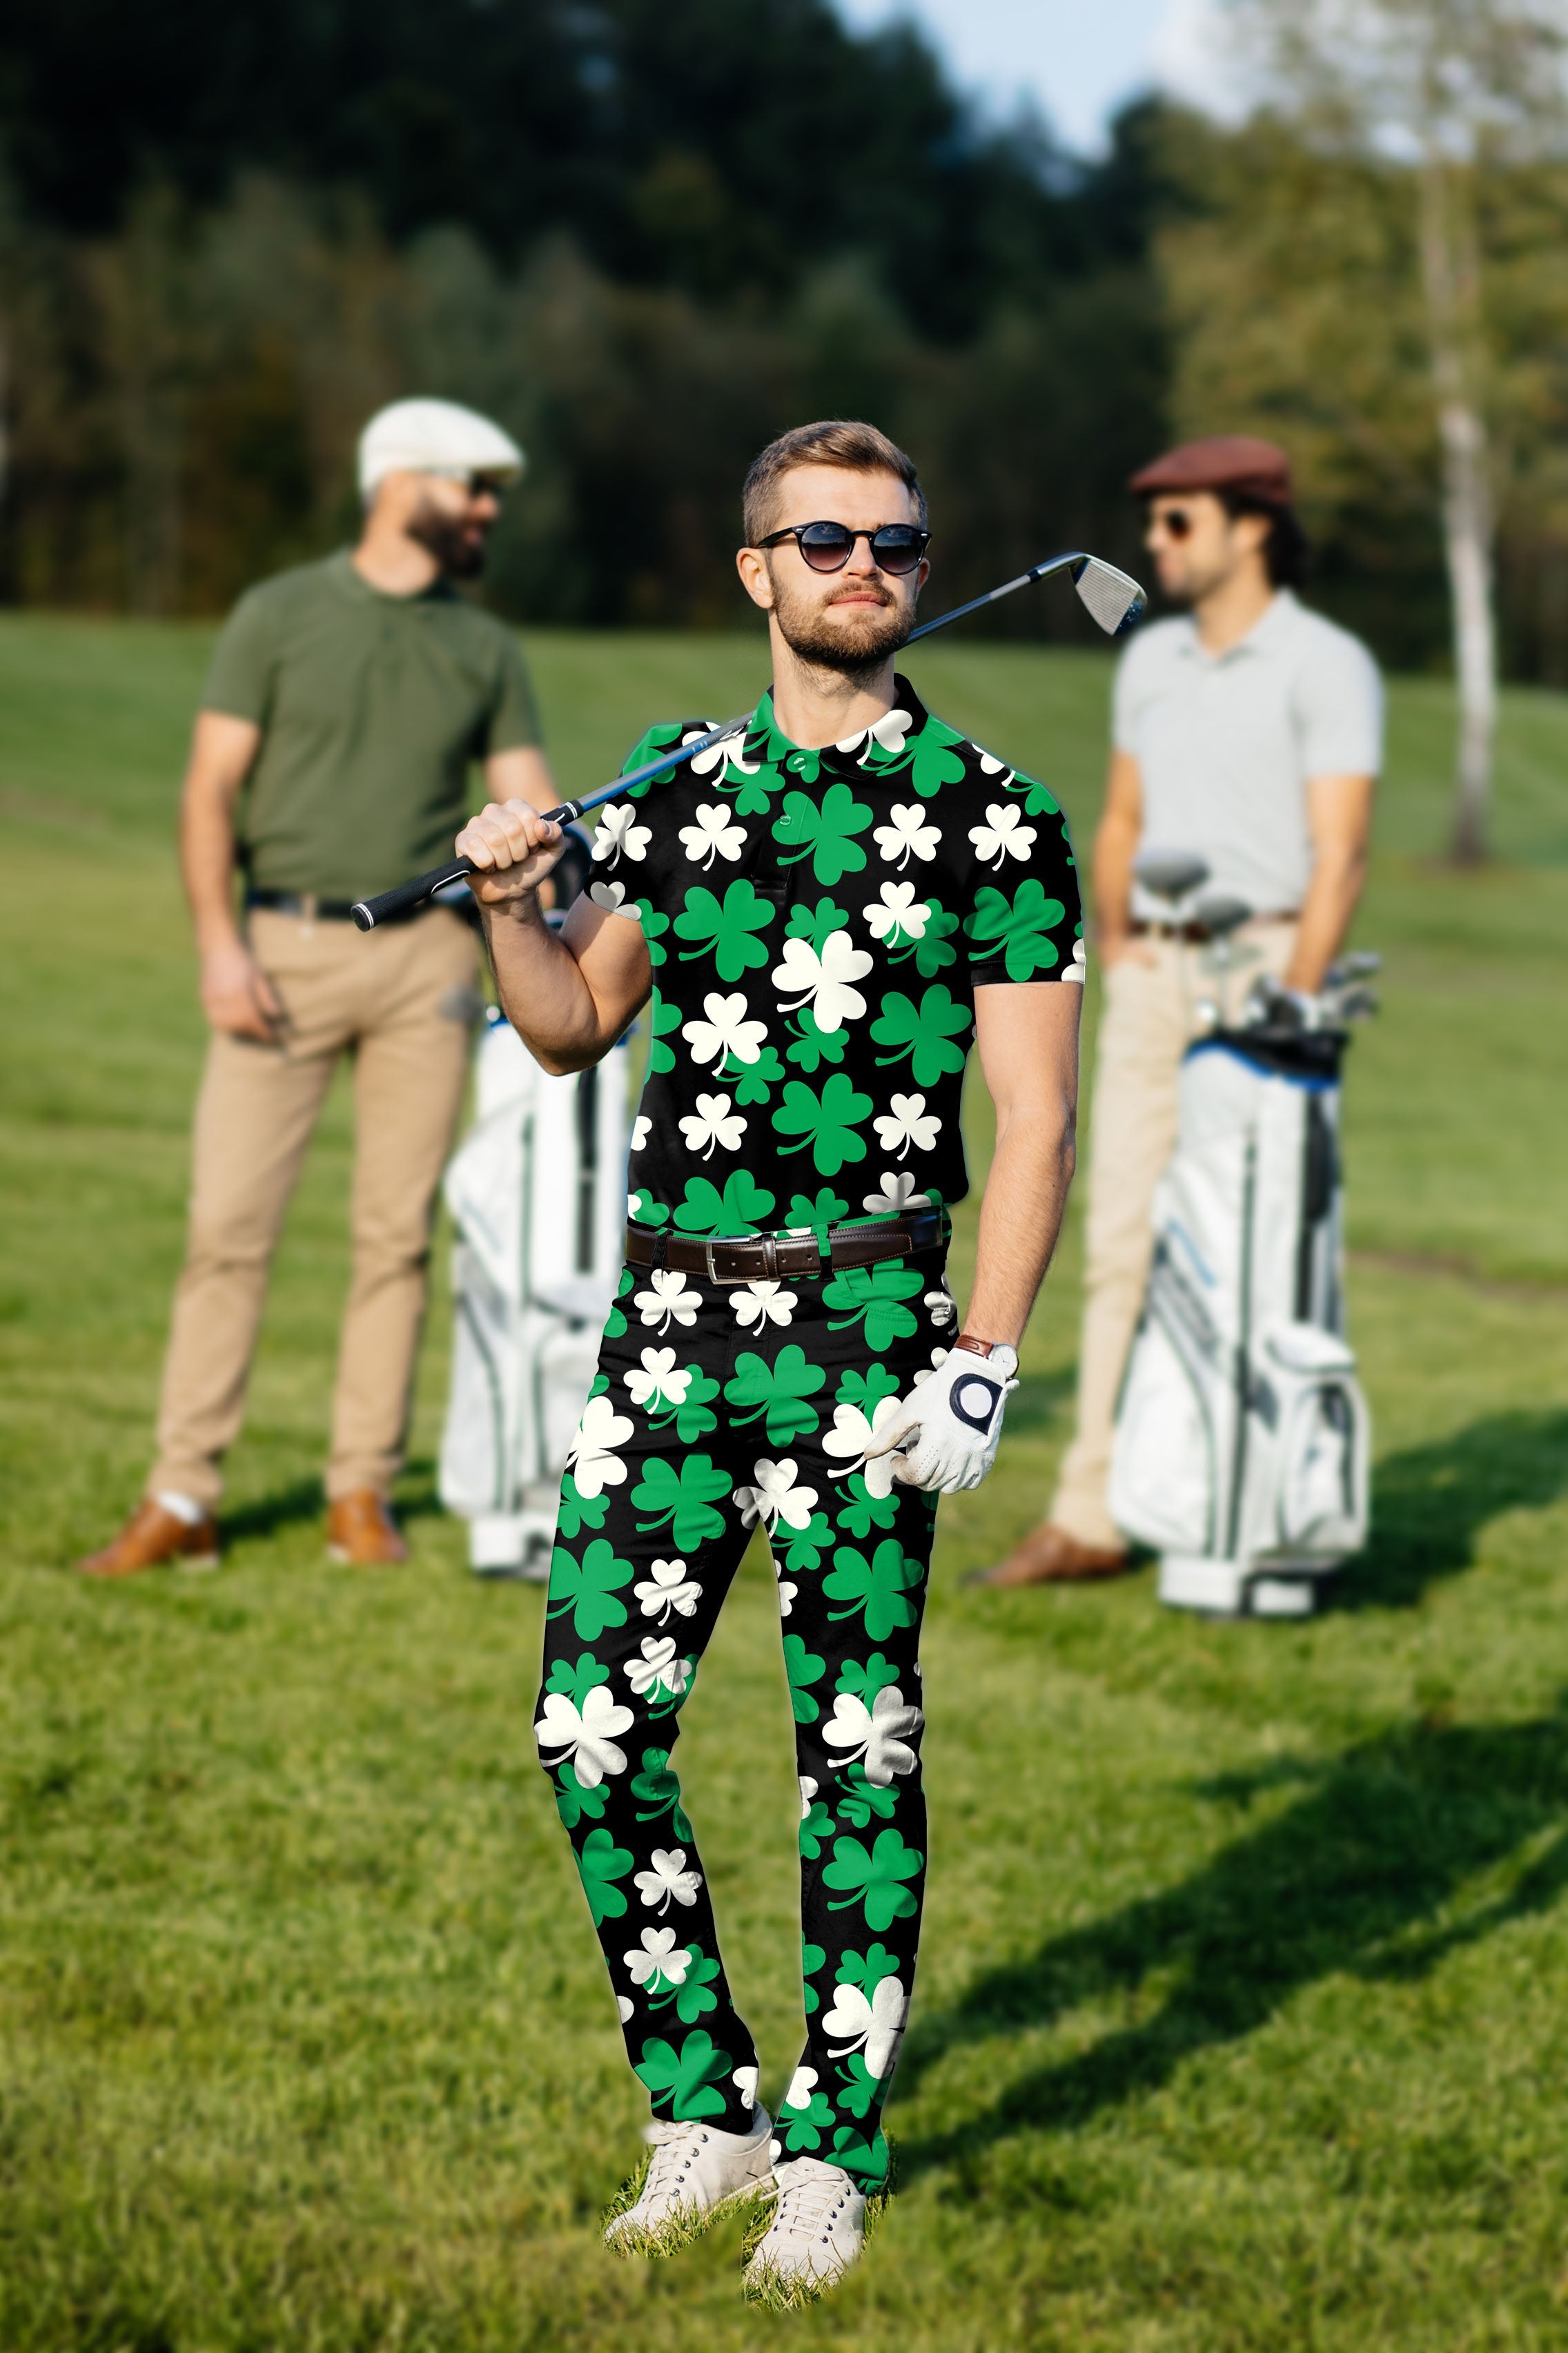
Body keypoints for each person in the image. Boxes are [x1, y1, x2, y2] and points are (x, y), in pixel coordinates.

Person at [453, 419, 1083, 2301]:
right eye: (822, 539)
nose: (863, 565)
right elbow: (570, 1025)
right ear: (760, 575)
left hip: (873, 1319)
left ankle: (829, 2153)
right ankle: (702, 2108)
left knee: (852, 1746)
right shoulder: (675, 790)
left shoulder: (995, 815)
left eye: (893, 539)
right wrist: (508, 897)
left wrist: (986, 1350)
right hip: (669, 1319)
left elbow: (1035, 1117)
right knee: (590, 1724)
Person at [78, 398, 557, 1577]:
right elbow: (209, 791)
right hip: (278, 950)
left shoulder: (484, 645)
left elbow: (536, 802)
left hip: (430, 966)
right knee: (226, 1231)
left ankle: (360, 1496)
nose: (489, 508)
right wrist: (217, 946)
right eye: (473, 485)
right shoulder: (277, 614)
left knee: (394, 1237)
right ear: (400, 483)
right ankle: (183, 1493)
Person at [981, 434, 1382, 1589]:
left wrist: (1294, 1004)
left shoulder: (1326, 662)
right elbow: (1120, 821)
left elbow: (1342, 854)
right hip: (1154, 972)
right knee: (1117, 1244)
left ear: (1253, 525)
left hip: (1266, 970)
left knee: (1250, 1250)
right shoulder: (1150, 660)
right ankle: (1094, 1511)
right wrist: (1120, 943)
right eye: (1150, 523)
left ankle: (1245, 1508)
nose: (1155, 544)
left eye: (1178, 522)